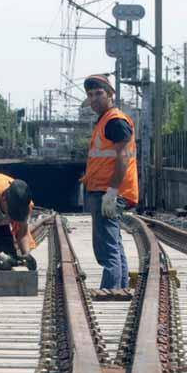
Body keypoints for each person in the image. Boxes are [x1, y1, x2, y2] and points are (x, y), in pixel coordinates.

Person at [81, 73, 138, 290]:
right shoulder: (106, 120)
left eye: (99, 93)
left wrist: (112, 192)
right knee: (113, 243)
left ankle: (110, 290)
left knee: (106, 246)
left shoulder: (115, 121)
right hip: (104, 189)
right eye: (90, 95)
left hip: (110, 191)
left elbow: (123, 156)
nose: (95, 99)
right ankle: (118, 288)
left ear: (111, 94)